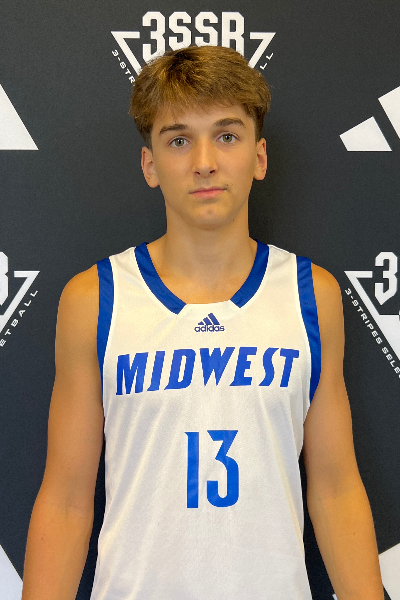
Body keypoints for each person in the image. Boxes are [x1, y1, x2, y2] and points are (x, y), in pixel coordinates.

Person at [22, 45, 384, 600]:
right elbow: (67, 499)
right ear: (150, 165)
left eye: (227, 135)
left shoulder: (311, 295)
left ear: (259, 157)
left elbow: (335, 488)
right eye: (178, 140)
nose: (205, 162)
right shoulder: (95, 299)